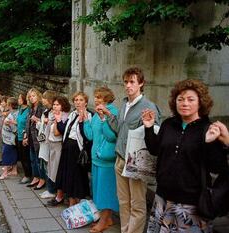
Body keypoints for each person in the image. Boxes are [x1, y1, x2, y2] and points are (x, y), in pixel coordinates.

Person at [143, 79, 229, 233]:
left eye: (191, 99)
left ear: (200, 103)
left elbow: (217, 167)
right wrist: (149, 129)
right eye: (180, 99)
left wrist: (209, 143)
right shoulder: (168, 124)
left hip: (191, 203)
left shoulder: (208, 128)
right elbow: (155, 150)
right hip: (162, 197)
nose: (185, 103)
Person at [98, 67, 161, 233]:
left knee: (137, 204)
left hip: (136, 163)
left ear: (141, 83)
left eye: (132, 81)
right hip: (120, 159)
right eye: (126, 82)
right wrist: (106, 115)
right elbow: (119, 129)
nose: (128, 85)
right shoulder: (125, 103)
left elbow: (154, 137)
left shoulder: (149, 107)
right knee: (123, 202)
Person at [83, 87, 119, 233]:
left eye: (99, 97)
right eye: (96, 97)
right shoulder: (97, 113)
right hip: (96, 158)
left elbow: (111, 136)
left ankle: (103, 222)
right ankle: (108, 219)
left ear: (107, 98)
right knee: (98, 191)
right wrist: (85, 121)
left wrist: (104, 118)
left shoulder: (113, 112)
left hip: (107, 159)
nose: (96, 99)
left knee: (105, 192)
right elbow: (90, 136)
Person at [54, 92, 91, 206]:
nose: (78, 102)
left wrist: (82, 122)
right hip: (67, 148)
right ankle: (71, 201)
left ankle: (77, 202)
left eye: (80, 100)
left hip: (77, 149)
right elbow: (64, 130)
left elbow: (87, 135)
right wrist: (59, 120)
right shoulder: (72, 114)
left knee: (77, 176)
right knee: (68, 175)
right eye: (76, 100)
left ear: (86, 102)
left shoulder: (88, 115)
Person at [43, 96, 70, 202]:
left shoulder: (64, 116)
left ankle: (57, 193)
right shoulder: (54, 115)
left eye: (58, 104)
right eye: (54, 104)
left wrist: (54, 122)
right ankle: (53, 191)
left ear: (63, 105)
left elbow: (57, 132)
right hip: (52, 144)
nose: (55, 106)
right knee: (51, 168)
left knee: (56, 169)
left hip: (58, 145)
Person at [23, 88, 46, 190]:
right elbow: (27, 123)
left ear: (38, 96)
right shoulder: (31, 108)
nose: (32, 98)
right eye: (30, 96)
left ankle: (42, 179)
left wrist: (37, 120)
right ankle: (36, 177)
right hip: (31, 137)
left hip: (39, 138)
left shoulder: (42, 108)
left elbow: (45, 124)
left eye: (34, 96)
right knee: (33, 159)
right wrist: (25, 136)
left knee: (39, 159)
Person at [37, 90, 58, 198]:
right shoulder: (46, 111)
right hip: (44, 142)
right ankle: (49, 189)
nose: (42, 100)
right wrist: (39, 123)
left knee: (50, 167)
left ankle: (51, 190)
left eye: (44, 98)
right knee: (46, 166)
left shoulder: (53, 113)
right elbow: (42, 128)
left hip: (50, 143)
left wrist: (46, 122)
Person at [0, 97, 19, 179]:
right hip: (7, 138)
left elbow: (15, 128)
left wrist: (8, 124)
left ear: (10, 105)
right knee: (13, 153)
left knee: (6, 154)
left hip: (10, 139)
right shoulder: (12, 112)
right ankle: (14, 170)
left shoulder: (15, 114)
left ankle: (5, 172)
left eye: (7, 103)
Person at [16, 93, 31, 184]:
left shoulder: (28, 110)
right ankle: (26, 174)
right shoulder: (20, 109)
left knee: (25, 157)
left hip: (25, 137)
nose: (18, 99)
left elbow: (27, 124)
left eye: (19, 98)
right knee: (21, 157)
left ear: (24, 99)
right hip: (19, 136)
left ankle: (28, 175)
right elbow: (19, 121)